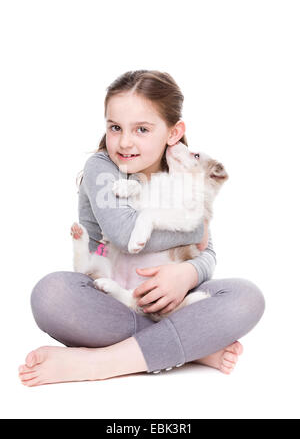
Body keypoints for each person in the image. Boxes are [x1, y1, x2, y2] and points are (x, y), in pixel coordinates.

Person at [18, 70, 265, 387]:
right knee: (51, 295)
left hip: (170, 302)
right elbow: (125, 234)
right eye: (115, 127)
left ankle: (98, 362)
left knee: (247, 297)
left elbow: (207, 255)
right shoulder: (102, 168)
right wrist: (194, 228)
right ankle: (189, 347)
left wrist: (186, 275)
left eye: (142, 129)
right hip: (116, 298)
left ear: (173, 133)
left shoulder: (184, 172)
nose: (124, 141)